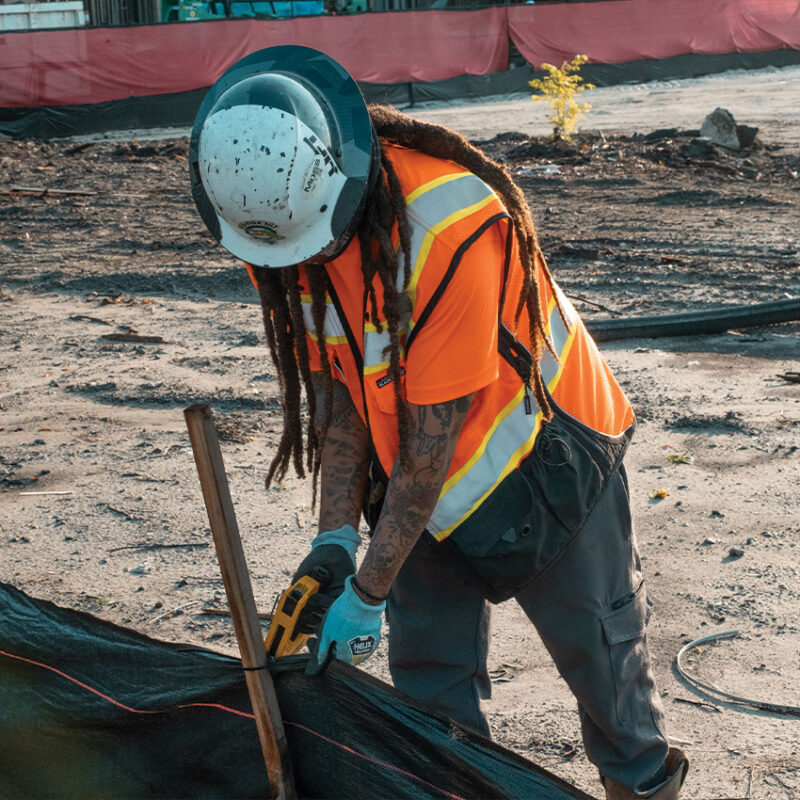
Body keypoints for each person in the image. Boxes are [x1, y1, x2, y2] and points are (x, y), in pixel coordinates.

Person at [190, 45, 689, 800]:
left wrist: (369, 591)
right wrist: (335, 541)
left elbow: (432, 448)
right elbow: (339, 392)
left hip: (547, 462)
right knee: (429, 697)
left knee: (606, 676)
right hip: (417, 485)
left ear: (341, 177)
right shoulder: (280, 225)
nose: (303, 260)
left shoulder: (446, 230)